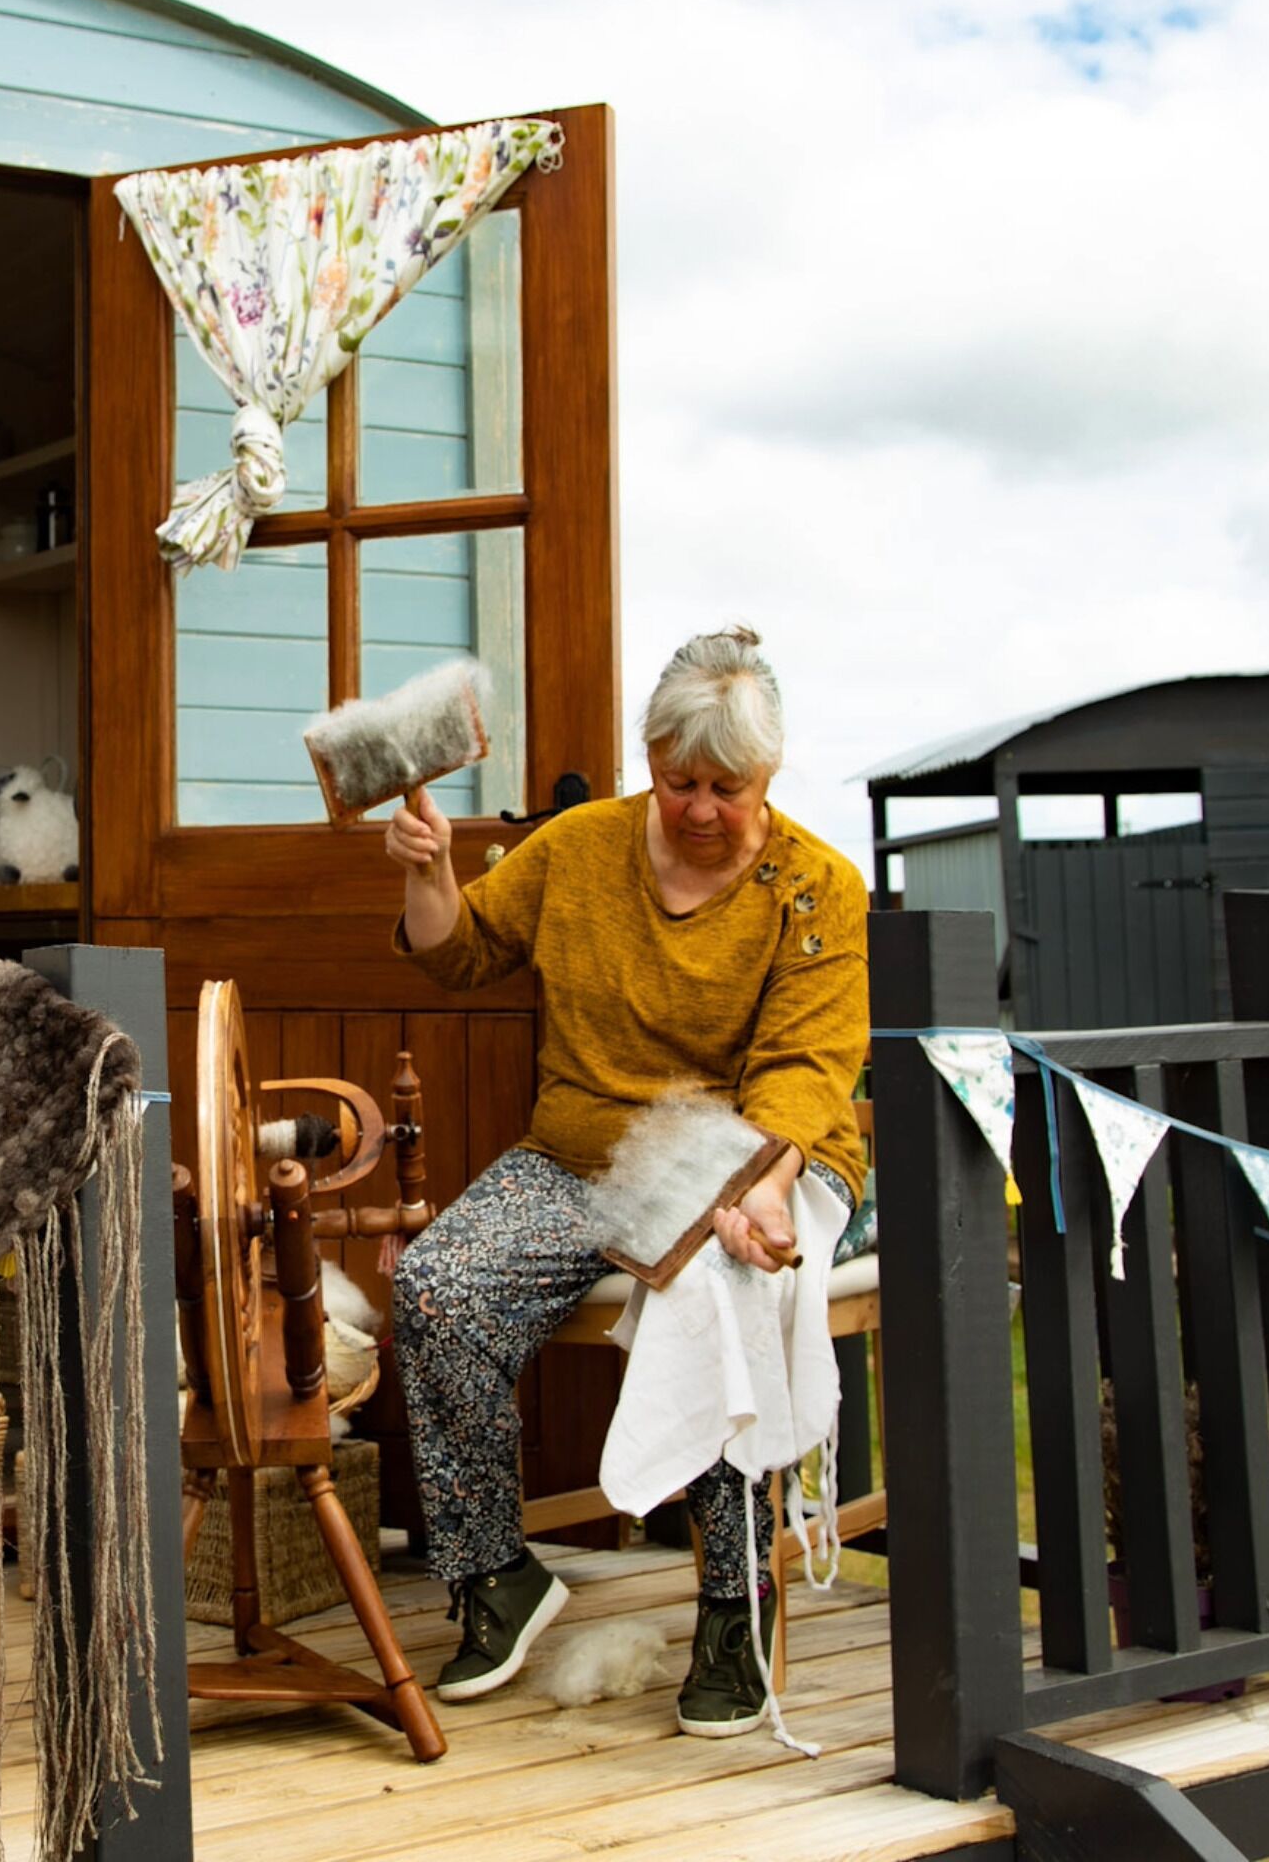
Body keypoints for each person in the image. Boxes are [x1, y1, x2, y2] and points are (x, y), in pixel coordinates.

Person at [386, 626, 872, 1736]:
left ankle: (732, 1607)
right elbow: (459, 953)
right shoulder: (579, 847)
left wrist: (761, 1183)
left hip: (755, 1152)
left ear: (771, 773)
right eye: (677, 780)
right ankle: (494, 1576)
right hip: (584, 1156)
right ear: (649, 757)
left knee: (722, 1297)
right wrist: (430, 871)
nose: (700, 807)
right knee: (439, 1288)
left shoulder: (816, 889)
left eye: (727, 787)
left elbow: (808, 1064)